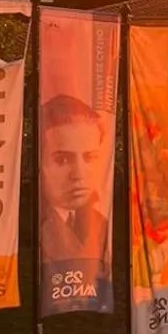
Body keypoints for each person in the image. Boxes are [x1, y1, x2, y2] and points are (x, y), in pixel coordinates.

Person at [39, 93, 110, 271]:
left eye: (90, 158)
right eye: (62, 160)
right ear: (39, 161)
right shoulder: (29, 225)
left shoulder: (102, 225)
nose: (78, 174)